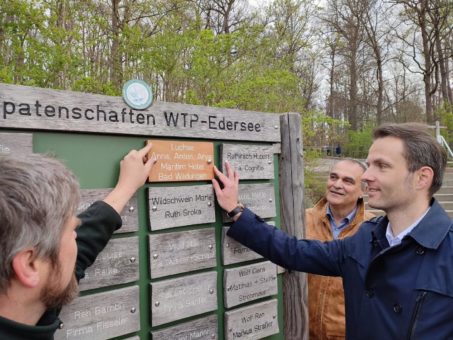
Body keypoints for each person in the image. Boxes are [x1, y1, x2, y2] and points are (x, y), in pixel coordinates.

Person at [212, 123, 453, 339]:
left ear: (422, 178)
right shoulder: (364, 239)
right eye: (369, 165)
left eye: (382, 166)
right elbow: (293, 251)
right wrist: (236, 210)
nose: (367, 176)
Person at [0, 144, 156, 339]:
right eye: (72, 231)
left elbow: (77, 250)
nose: (77, 237)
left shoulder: (32, 304)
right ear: (30, 265)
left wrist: (125, 188)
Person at [305, 159, 374, 339]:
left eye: (348, 181)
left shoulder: (373, 230)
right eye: (333, 177)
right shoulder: (301, 220)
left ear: (363, 191)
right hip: (302, 332)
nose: (336, 185)